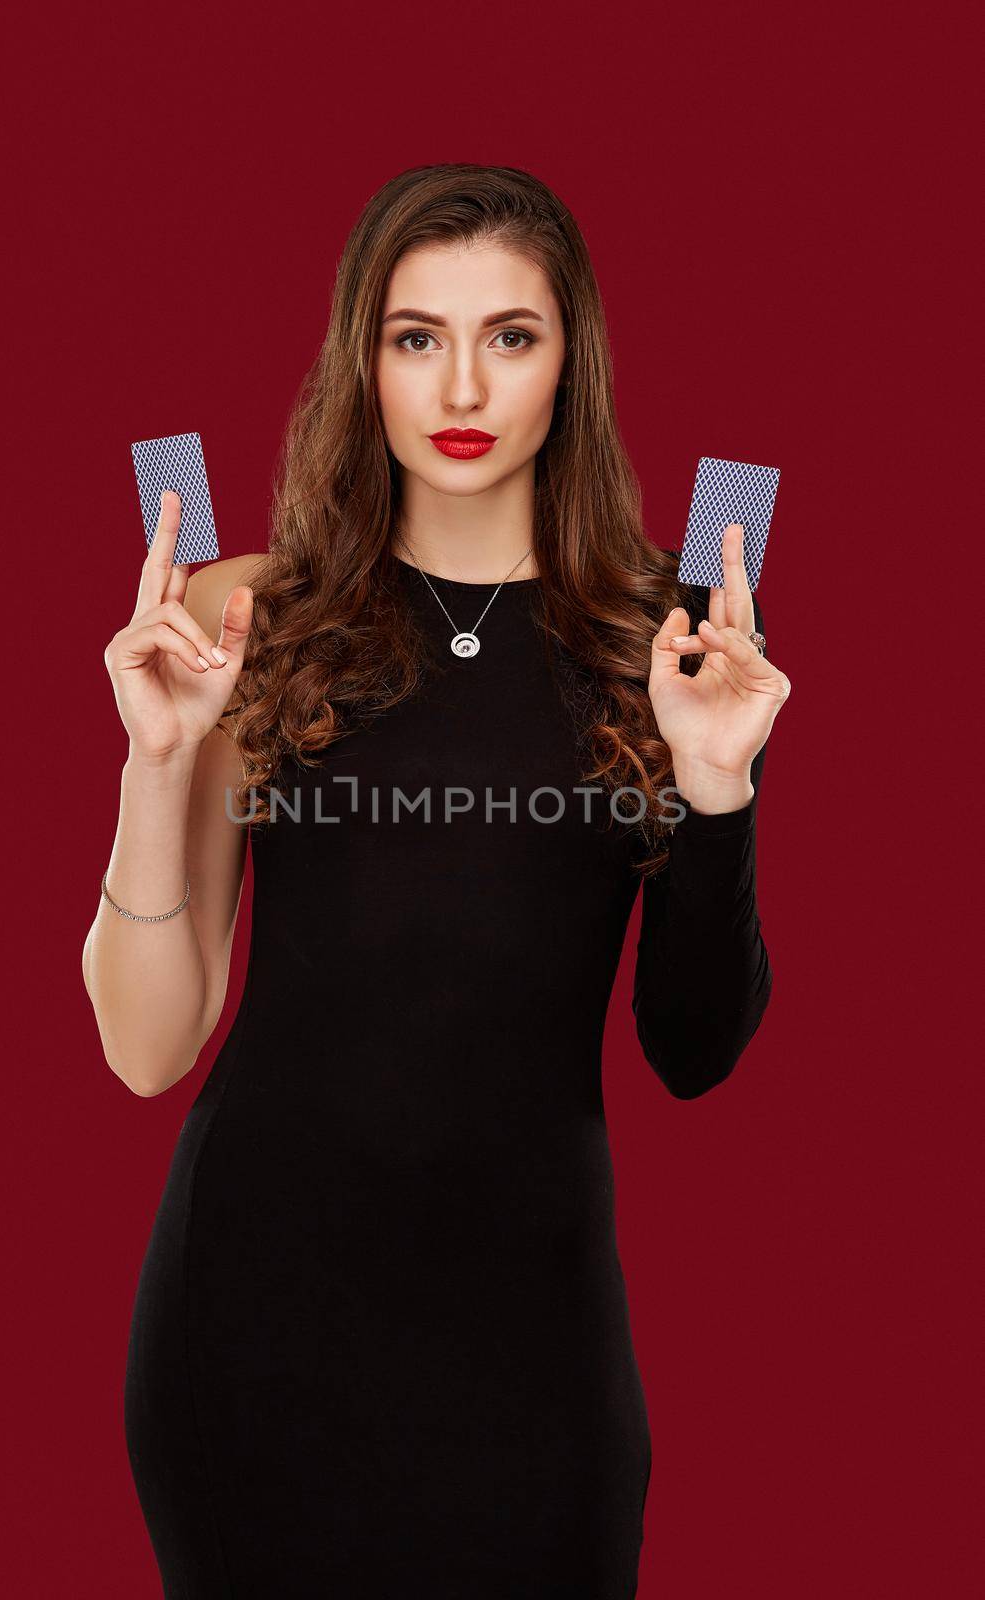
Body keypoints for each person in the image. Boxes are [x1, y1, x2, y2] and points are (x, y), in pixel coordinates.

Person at [82, 163, 791, 1599]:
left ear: (569, 362)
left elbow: (692, 1052)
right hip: (250, 1335)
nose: (461, 381)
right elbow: (149, 1050)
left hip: (536, 1363)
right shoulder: (244, 610)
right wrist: (156, 767)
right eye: (417, 336)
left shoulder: (683, 627)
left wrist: (719, 793)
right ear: (365, 359)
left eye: (509, 336)